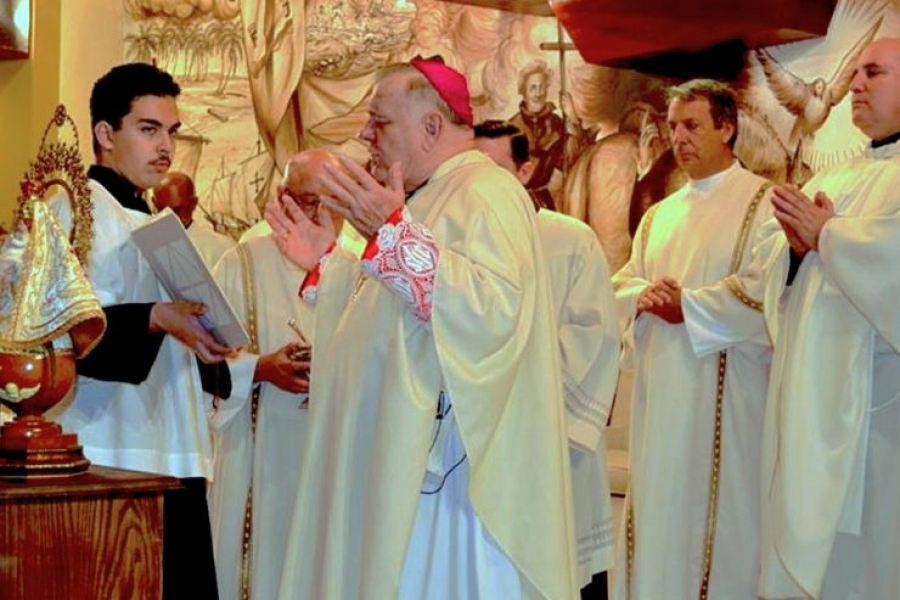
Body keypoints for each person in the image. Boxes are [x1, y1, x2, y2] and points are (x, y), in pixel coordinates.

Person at [267, 57, 578, 600]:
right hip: (399, 463)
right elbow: (386, 313)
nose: (364, 134)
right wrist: (328, 260)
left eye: (378, 122)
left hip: (446, 480)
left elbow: (493, 311)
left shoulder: (487, 192)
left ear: (431, 126)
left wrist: (392, 236)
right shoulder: (422, 197)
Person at [48, 62, 232, 600]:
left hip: (173, 445)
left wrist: (207, 337)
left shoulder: (150, 218)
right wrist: (154, 316)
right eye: (148, 129)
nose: (166, 148)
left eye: (171, 132)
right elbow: (55, 325)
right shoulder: (73, 206)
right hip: (112, 449)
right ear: (106, 134)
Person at [611, 79, 773, 600]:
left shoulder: (763, 203)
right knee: (659, 515)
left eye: (692, 125)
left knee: (724, 521)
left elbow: (766, 297)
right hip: (660, 399)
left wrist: (692, 307)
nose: (678, 138)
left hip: (729, 400)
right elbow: (623, 281)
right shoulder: (659, 214)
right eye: (674, 126)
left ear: (727, 128)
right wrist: (642, 295)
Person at [756, 38, 900, 600]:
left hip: (883, 421)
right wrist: (794, 253)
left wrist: (830, 237)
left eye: (874, 73)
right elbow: (777, 284)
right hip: (816, 415)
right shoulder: (836, 181)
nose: (855, 85)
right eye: (856, 73)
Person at [475, 119, 620, 597]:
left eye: (497, 168)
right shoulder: (463, 242)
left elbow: (593, 337)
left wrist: (514, 380)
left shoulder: (569, 239)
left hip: (554, 440)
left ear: (526, 169)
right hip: (483, 444)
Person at [208, 148, 351, 600]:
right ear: (282, 197)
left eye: (334, 200)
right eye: (308, 200)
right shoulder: (242, 263)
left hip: (339, 455)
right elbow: (201, 361)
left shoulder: (362, 263)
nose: (319, 214)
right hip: (260, 460)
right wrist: (261, 368)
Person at [508, 59, 566, 211]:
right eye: (533, 88)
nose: (538, 93)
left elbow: (570, 155)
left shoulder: (557, 124)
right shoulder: (512, 127)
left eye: (541, 87)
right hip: (518, 200)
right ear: (524, 93)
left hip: (548, 200)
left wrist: (572, 119)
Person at [152, 171, 235, 269]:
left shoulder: (222, 248)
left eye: (176, 210)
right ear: (154, 203)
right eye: (161, 210)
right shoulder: (144, 248)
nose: (168, 216)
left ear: (193, 204)